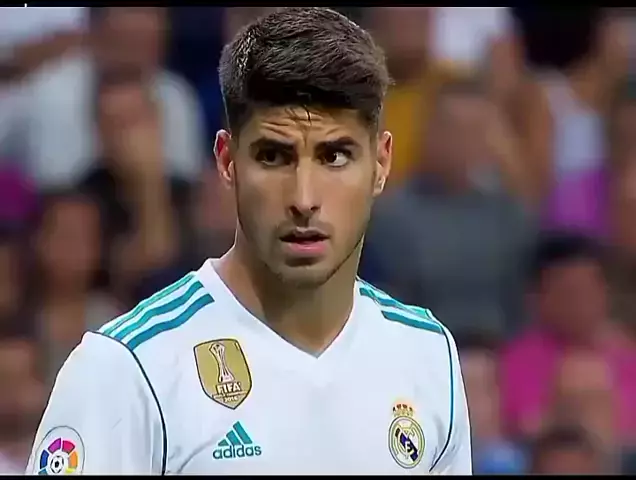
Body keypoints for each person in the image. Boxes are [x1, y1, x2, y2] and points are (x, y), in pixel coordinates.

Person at [25, 7, 471, 475]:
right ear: (227, 162)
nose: (304, 199)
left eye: (335, 156)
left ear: (381, 164)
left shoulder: (428, 355)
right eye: (274, 156)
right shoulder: (129, 368)